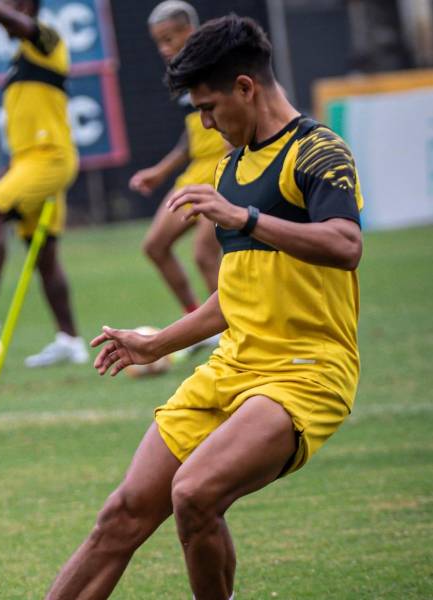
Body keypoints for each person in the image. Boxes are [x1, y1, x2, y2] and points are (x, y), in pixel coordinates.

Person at [46, 14, 363, 600]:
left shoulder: (319, 152)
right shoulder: (229, 167)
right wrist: (155, 343)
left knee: (193, 493)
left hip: (305, 373)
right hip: (231, 369)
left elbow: (346, 245)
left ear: (245, 87)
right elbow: (237, 293)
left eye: (209, 108)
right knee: (123, 513)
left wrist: (245, 218)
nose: (207, 124)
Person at [0, 0, 88, 368]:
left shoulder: (47, 40)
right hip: (28, 161)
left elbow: (6, 17)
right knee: (44, 255)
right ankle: (70, 341)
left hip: (49, 157)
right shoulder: (20, 58)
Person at [129, 1, 226, 332]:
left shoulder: (219, 66)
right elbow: (192, 133)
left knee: (204, 254)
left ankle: (232, 330)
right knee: (155, 246)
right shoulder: (183, 76)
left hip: (223, 170)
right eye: (158, 42)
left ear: (191, 32)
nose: (163, 48)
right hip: (196, 171)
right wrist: (160, 171)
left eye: (169, 39)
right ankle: (196, 320)